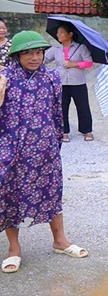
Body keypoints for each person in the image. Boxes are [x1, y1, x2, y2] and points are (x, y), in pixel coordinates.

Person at [0, 31, 89, 274]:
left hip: (45, 149)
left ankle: (60, 241)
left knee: (51, 193)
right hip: (12, 150)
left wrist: (55, 142)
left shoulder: (51, 77)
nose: (34, 57)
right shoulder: (5, 77)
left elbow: (56, 113)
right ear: (17, 55)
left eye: (38, 52)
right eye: (28, 52)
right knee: (10, 196)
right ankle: (14, 249)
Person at [44, 22, 95, 142]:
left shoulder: (80, 48)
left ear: (70, 34)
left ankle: (87, 130)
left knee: (83, 107)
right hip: (60, 83)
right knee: (61, 108)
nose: (58, 35)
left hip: (78, 82)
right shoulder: (55, 49)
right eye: (58, 33)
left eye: (61, 32)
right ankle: (64, 132)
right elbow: (43, 60)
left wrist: (74, 64)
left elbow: (89, 63)